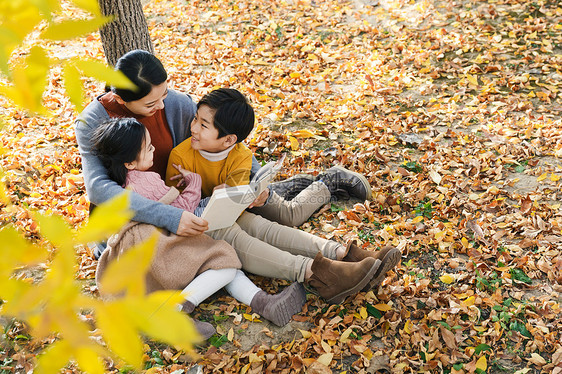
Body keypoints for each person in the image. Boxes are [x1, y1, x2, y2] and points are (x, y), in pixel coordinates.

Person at [74, 49, 372, 259]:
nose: (163, 107)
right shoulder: (93, 120)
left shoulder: (176, 104)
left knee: (277, 212)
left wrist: (256, 180)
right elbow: (99, 189)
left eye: (164, 95)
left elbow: (230, 144)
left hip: (195, 194)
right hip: (146, 211)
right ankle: (305, 189)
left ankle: (323, 183)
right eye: (151, 105)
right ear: (120, 99)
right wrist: (170, 216)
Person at [166, 88, 401, 304]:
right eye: (196, 118)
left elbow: (235, 205)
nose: (193, 127)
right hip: (196, 224)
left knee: (262, 225)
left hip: (230, 213)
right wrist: (197, 189)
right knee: (241, 233)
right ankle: (319, 274)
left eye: (203, 125)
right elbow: (175, 207)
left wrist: (237, 196)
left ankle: (342, 254)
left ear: (228, 139)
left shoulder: (240, 155)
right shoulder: (181, 156)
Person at [91, 117, 307, 339]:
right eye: (148, 148)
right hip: (160, 250)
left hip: (149, 251)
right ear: (129, 163)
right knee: (224, 263)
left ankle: (264, 302)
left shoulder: (126, 184)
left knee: (223, 262)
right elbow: (181, 210)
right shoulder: (146, 181)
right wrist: (193, 182)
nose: (154, 149)